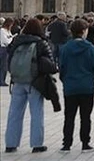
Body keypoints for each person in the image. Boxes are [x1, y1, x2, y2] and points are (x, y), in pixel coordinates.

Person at [4, 18, 57, 154]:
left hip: (18, 81)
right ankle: (37, 144)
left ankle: (11, 144)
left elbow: (9, 60)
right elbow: (50, 65)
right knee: (36, 112)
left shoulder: (16, 41)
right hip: (35, 82)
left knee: (14, 113)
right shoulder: (41, 43)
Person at [58, 18, 94, 152]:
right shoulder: (91, 48)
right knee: (85, 117)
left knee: (69, 116)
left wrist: (66, 80)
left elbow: (61, 67)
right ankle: (85, 143)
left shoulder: (64, 48)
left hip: (70, 87)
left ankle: (66, 144)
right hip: (87, 86)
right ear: (83, 31)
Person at [0, 17, 14, 86]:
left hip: (7, 48)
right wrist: (11, 39)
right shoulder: (2, 30)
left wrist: (11, 38)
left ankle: (3, 80)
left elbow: (10, 37)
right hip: (3, 48)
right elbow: (5, 41)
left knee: (5, 65)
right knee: (3, 65)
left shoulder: (8, 30)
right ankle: (1, 80)